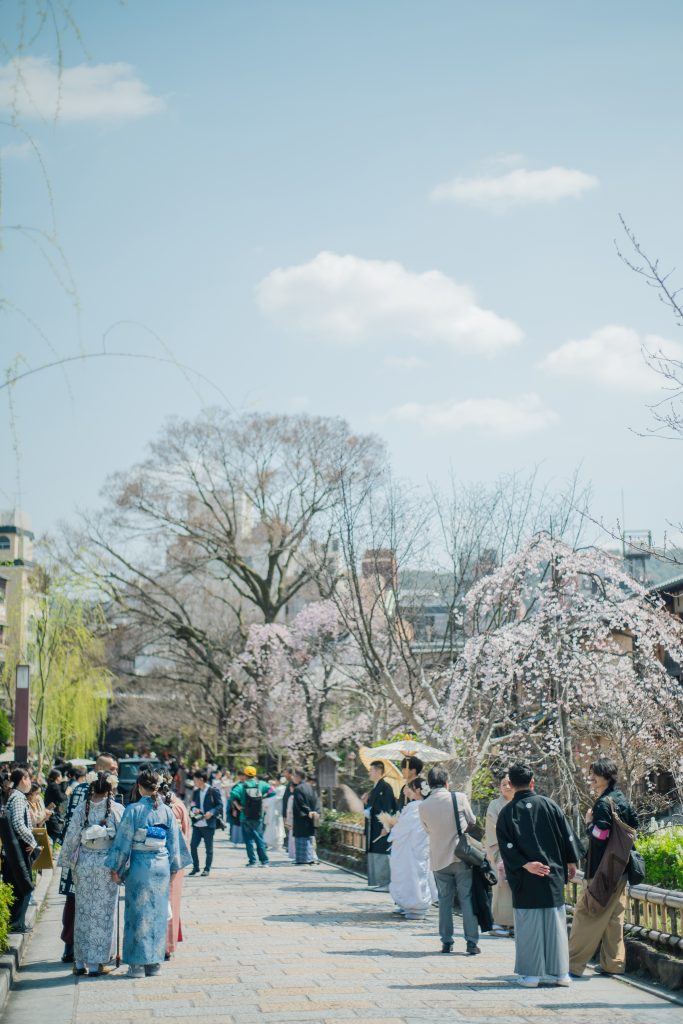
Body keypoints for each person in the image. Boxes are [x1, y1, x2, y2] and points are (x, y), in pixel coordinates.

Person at [496, 762, 579, 988]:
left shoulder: (507, 813)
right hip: (552, 873)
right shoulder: (550, 805)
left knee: (529, 923)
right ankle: (561, 974)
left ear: (511, 785)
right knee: (556, 923)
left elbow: (506, 846)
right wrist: (571, 861)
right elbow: (566, 836)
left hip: (526, 877)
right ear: (533, 782)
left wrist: (526, 864)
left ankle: (531, 976)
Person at [105, 766, 191, 978]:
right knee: (158, 913)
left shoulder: (133, 810)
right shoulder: (167, 811)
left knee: (138, 914)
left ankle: (136, 964)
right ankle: (154, 963)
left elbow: (123, 841)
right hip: (161, 865)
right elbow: (174, 843)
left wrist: (115, 867)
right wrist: (173, 867)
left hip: (141, 866)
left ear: (140, 787)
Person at [569, 756, 639, 978]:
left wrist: (590, 823)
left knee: (587, 913)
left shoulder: (602, 804)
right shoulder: (622, 800)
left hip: (602, 870)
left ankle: (571, 964)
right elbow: (635, 823)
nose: (592, 778)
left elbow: (601, 835)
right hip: (621, 867)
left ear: (607, 777)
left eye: (596, 774)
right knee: (614, 918)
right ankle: (613, 964)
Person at [58, 771, 123, 976]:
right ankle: (96, 964)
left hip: (84, 864)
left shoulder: (81, 809)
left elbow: (70, 839)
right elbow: (122, 841)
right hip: (106, 864)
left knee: (84, 912)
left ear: (92, 787)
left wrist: (68, 862)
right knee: (103, 915)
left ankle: (79, 963)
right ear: (110, 788)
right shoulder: (116, 809)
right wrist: (122, 867)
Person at [419, 766, 480, 954]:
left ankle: (446, 941)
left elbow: (427, 829)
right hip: (460, 856)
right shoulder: (458, 798)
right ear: (447, 782)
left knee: (444, 901)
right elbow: (473, 821)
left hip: (438, 858)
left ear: (429, 784)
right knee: (467, 899)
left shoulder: (423, 805)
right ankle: (471, 942)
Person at [388, 776, 436, 919]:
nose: (407, 790)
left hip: (412, 847)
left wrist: (393, 828)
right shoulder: (425, 805)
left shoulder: (415, 806)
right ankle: (407, 903)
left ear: (417, 790)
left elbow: (402, 828)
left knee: (412, 874)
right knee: (415, 873)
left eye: (410, 787)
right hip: (418, 845)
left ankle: (416, 905)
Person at [0, 768, 38, 932]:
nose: (30, 782)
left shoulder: (13, 796)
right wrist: (32, 841)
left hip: (13, 848)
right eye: (29, 778)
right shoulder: (18, 797)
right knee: (22, 884)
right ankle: (17, 923)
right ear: (23, 779)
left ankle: (18, 922)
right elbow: (17, 823)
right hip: (19, 849)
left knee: (18, 883)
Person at [161, 776, 191, 958]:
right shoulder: (177, 805)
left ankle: (161, 943)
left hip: (150, 859)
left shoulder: (147, 807)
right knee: (172, 901)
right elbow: (186, 833)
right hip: (176, 858)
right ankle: (168, 944)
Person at [485, 773, 515, 937]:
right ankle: (497, 922)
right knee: (500, 887)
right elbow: (494, 827)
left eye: (510, 783)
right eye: (503, 784)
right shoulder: (495, 805)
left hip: (518, 852)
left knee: (514, 889)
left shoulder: (520, 803)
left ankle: (512, 923)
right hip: (500, 851)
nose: (506, 786)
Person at [230, 766, 275, 867]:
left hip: (244, 816)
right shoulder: (262, 784)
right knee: (259, 838)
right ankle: (264, 861)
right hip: (258, 816)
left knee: (248, 839)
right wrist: (264, 796)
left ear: (245, 775)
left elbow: (232, 795)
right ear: (254, 774)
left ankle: (253, 861)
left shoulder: (241, 786)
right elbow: (273, 791)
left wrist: (238, 806)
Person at [363, 761, 398, 891]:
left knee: (381, 853)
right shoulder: (375, 787)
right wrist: (366, 803)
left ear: (378, 771)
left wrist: (386, 826)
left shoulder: (385, 787)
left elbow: (387, 808)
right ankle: (379, 881)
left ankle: (386, 882)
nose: (369, 773)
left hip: (381, 827)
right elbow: (373, 808)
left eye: (371, 770)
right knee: (375, 853)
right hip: (374, 826)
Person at [188, 769, 223, 877]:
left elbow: (220, 805)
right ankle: (196, 867)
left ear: (201, 779)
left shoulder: (213, 790)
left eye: (195, 779)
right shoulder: (196, 792)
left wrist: (211, 812)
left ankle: (207, 869)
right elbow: (193, 804)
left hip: (209, 824)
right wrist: (195, 809)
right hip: (197, 823)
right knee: (193, 846)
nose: (194, 782)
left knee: (209, 848)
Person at [291, 769, 318, 865]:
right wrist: (314, 811)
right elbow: (316, 802)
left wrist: (307, 811)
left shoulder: (299, 788)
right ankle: (309, 858)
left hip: (301, 817)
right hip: (311, 817)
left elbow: (300, 803)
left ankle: (302, 859)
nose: (293, 778)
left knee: (301, 838)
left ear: (298, 777)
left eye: (294, 776)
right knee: (309, 838)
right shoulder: (311, 788)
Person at [44, 768, 67, 842]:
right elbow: (61, 798)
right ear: (57, 777)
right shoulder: (54, 785)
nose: (62, 778)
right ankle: (49, 847)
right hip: (51, 812)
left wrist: (64, 783)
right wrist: (67, 793)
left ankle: (50, 847)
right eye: (60, 776)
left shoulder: (53, 785)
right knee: (56, 832)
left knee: (54, 832)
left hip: (52, 811)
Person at [263, 777, 286, 850]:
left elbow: (278, 798)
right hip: (271, 809)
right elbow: (267, 794)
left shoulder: (282, 788)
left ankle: (277, 843)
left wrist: (267, 800)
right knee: (270, 825)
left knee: (277, 826)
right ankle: (270, 843)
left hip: (276, 809)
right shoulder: (273, 788)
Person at [229, 771, 247, 847]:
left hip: (247, 807)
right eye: (240, 775)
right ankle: (235, 841)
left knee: (246, 824)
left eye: (243, 775)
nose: (242, 777)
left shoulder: (248, 785)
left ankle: (245, 841)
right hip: (238, 807)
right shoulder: (236, 786)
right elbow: (232, 799)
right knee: (236, 823)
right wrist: (234, 809)